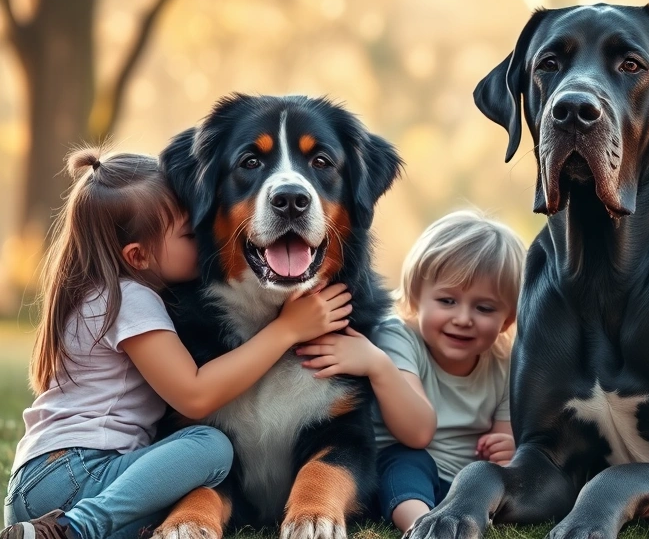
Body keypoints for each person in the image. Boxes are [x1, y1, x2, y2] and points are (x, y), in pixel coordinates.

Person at [2, 149, 351, 539]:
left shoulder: (96, 293)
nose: (203, 240)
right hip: (76, 474)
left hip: (42, 480)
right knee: (211, 446)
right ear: (138, 256)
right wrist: (287, 330)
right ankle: (74, 529)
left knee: (170, 504)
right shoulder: (131, 300)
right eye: (189, 234)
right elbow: (195, 395)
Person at [296, 209, 526, 531]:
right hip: (401, 477)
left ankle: (461, 518)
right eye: (447, 301)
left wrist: (505, 445)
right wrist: (378, 365)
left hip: (464, 485)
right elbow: (417, 433)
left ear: (508, 319)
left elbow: (504, 435)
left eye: (484, 308)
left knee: (494, 475)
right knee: (405, 460)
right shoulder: (399, 337)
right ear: (417, 297)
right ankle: (421, 526)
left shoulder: (505, 363)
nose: (463, 319)